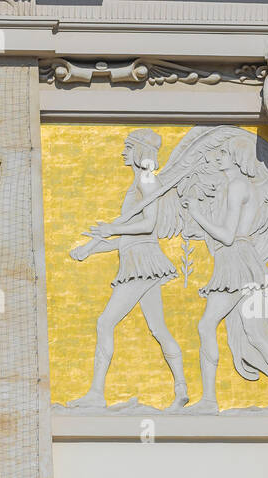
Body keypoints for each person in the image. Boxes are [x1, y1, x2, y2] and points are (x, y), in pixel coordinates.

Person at [67, 129, 188, 410]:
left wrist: (113, 228)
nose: (123, 151)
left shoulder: (146, 180)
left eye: (128, 146)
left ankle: (96, 393)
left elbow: (147, 226)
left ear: (140, 151)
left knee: (105, 322)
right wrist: (91, 249)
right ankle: (181, 386)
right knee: (158, 328)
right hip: (139, 259)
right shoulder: (139, 182)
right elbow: (128, 241)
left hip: (142, 264)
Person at [180, 142, 268, 413]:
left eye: (224, 154)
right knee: (256, 333)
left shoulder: (237, 186)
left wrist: (195, 212)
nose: (217, 158)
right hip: (243, 258)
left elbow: (227, 235)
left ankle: (208, 401)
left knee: (206, 325)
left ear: (238, 157)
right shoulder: (241, 186)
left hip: (235, 259)